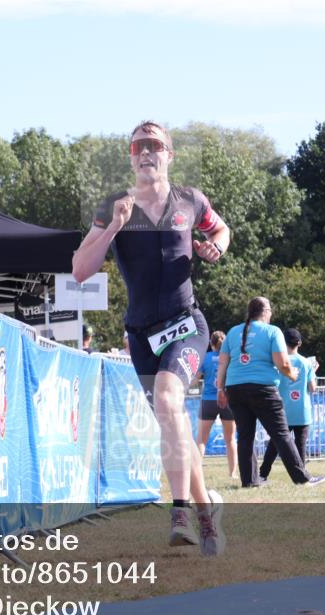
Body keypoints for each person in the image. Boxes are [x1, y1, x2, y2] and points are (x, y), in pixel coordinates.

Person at [72, 120, 231, 556]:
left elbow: (220, 229)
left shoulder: (190, 200)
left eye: (155, 145)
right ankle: (205, 512)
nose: (147, 152)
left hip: (186, 323)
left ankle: (179, 512)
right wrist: (111, 229)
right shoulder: (114, 206)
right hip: (141, 333)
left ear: (169, 155)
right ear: (131, 156)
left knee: (166, 401)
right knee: (173, 419)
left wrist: (217, 245)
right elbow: (80, 270)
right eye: (139, 146)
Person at [216, 297, 325, 488]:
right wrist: (293, 375)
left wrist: (220, 388)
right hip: (263, 389)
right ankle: (302, 478)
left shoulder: (233, 332)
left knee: (245, 436)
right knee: (281, 434)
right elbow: (282, 363)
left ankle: (250, 481)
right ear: (265, 311)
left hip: (235, 389)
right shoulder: (272, 331)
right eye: (271, 310)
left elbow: (223, 363)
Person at [196, 331, 237, 478]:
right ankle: (233, 474)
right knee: (230, 439)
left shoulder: (204, 358)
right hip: (227, 400)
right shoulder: (230, 358)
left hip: (208, 400)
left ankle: (197, 473)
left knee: (201, 440)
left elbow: (195, 380)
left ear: (210, 344)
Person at [277, 328, 318, 464]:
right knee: (300, 445)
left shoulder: (279, 363)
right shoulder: (306, 363)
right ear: (299, 343)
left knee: (275, 444)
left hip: (283, 411)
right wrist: (314, 371)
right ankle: (302, 474)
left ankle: (263, 472)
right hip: (302, 411)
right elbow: (313, 388)